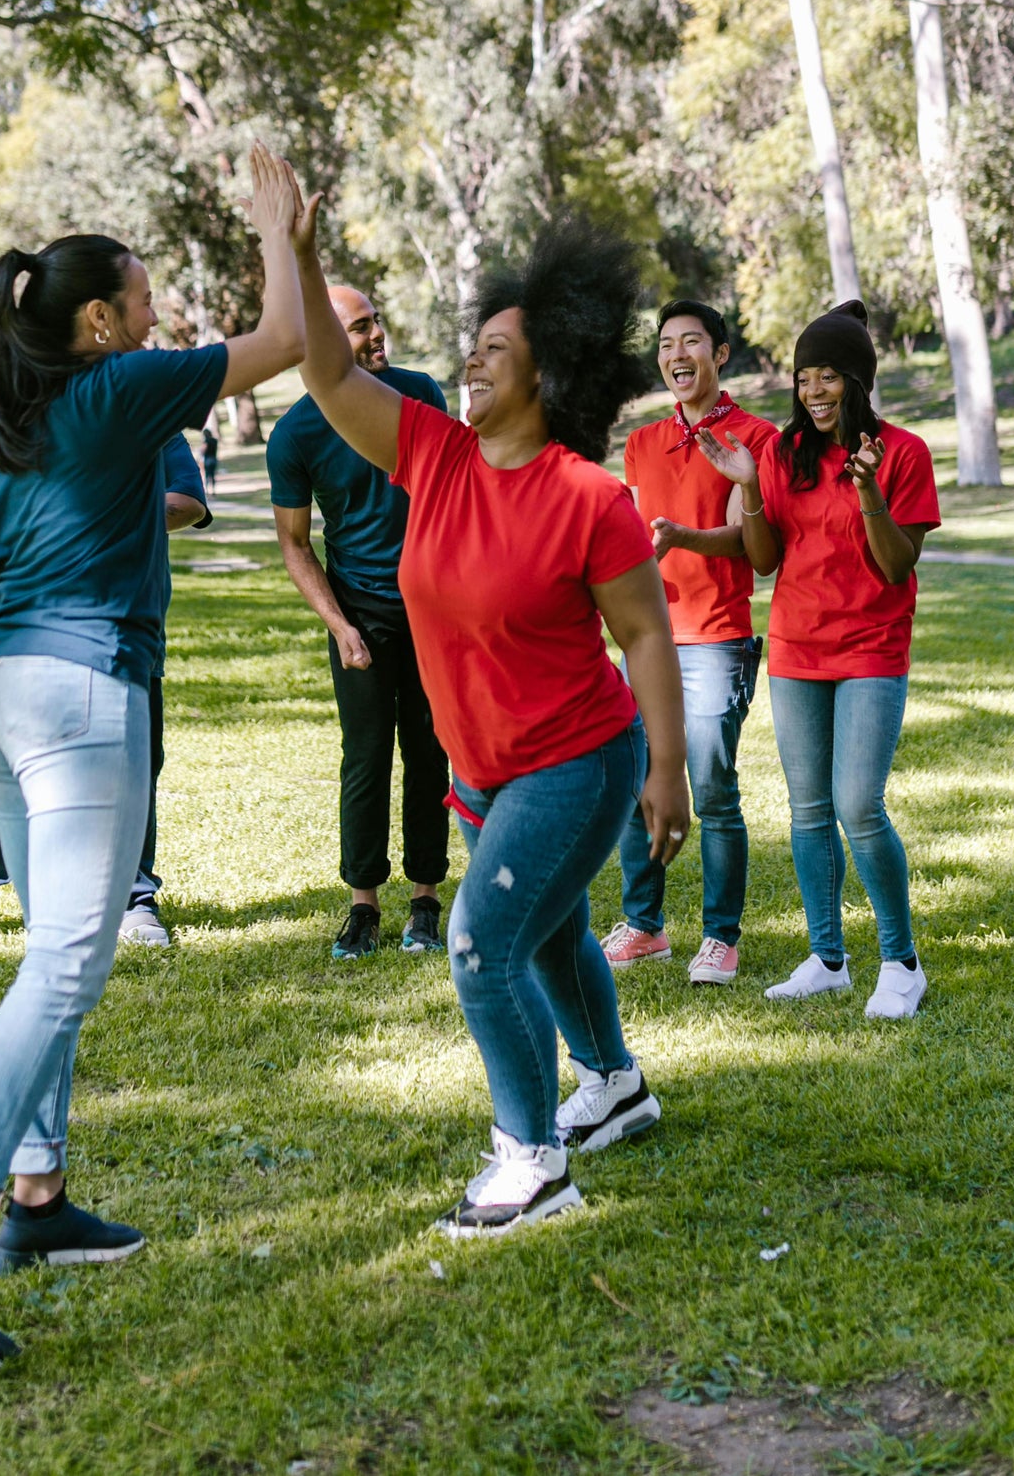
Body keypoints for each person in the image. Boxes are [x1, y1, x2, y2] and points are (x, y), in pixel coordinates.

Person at [0, 144, 305, 1366]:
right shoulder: (115, 392)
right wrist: (280, 231)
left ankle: (39, 1202)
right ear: (102, 318)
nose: (159, 312)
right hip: (81, 688)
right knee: (66, 960)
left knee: (55, 942)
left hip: (0, 688)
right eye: (149, 295)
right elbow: (279, 343)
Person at [291, 194, 689, 1237]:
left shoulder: (587, 497)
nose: (470, 364)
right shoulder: (435, 453)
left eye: (494, 351)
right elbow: (331, 375)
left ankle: (533, 1158)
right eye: (470, 347)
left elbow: (646, 636)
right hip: (484, 767)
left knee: (481, 943)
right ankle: (614, 1083)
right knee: (552, 935)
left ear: (547, 372)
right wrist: (295, 252)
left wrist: (668, 767)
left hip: (579, 758)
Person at [694, 300, 940, 1021]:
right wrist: (746, 486)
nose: (815, 391)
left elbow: (897, 566)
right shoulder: (780, 453)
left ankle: (900, 961)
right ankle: (827, 957)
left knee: (856, 804)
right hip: (799, 649)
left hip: (871, 649)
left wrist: (867, 490)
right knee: (808, 811)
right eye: (805, 378)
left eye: (830, 376)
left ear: (857, 381)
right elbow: (764, 561)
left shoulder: (903, 453)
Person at [0, 432, 211, 949]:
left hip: (128, 625)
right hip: (30, 624)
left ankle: (133, 899)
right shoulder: (11, 415)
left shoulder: (148, 411)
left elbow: (188, 501)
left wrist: (115, 517)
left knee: (131, 768)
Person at [268, 286, 452, 958]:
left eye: (376, 319)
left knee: (431, 750)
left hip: (433, 607)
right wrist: (340, 625)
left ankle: (426, 900)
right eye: (359, 326)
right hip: (359, 611)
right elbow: (294, 541)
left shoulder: (420, 392)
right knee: (366, 756)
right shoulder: (296, 432)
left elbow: (455, 492)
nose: (378, 334)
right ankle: (364, 906)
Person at [603, 300, 778, 984]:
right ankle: (644, 926)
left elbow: (746, 541)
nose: (678, 354)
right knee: (635, 783)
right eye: (668, 344)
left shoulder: (754, 437)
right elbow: (631, 536)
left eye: (693, 341)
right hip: (645, 637)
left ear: (721, 353)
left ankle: (721, 937)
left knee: (710, 789)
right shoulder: (643, 443)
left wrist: (679, 536)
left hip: (715, 639)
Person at [201, 408, 220, 495]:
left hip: (208, 459)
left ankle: (208, 491)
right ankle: (213, 490)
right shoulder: (215, 440)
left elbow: (204, 450)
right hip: (214, 458)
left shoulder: (206, 441)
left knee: (207, 475)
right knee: (213, 476)